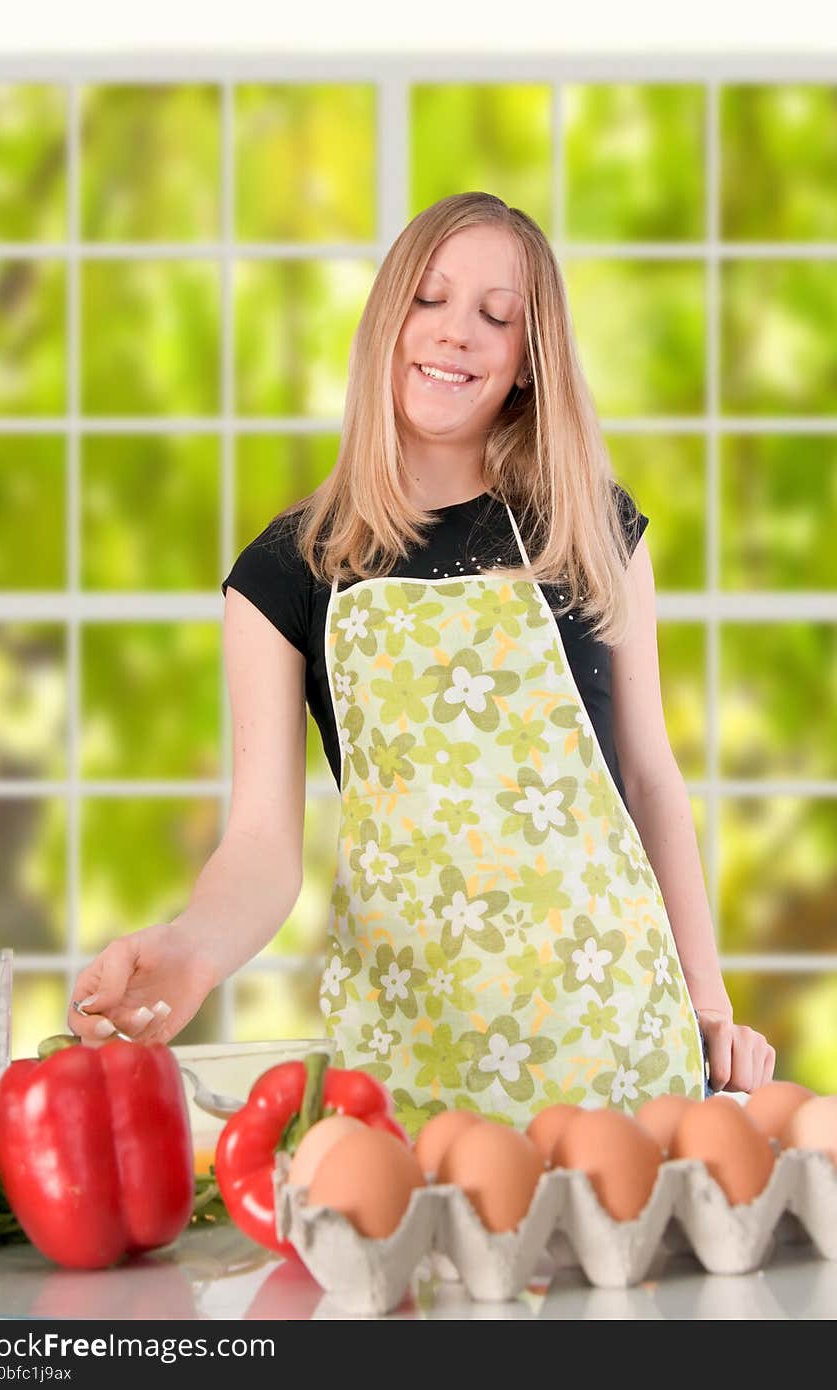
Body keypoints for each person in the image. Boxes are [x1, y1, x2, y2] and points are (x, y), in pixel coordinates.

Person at [68, 191, 775, 1135]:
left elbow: (648, 777)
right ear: (386, 321)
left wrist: (710, 1001)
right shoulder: (289, 571)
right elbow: (264, 845)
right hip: (414, 1062)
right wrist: (193, 950)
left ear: (528, 364)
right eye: (430, 301)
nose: (456, 337)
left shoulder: (588, 528)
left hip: (622, 1045)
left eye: (496, 317)